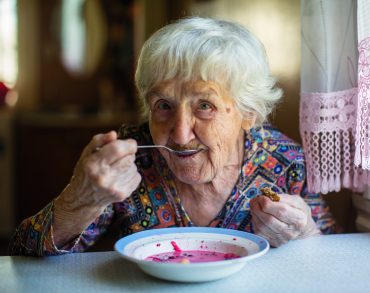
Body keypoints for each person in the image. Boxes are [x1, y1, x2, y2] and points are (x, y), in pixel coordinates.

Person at [9, 17, 336, 256]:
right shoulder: (130, 159)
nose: (179, 135)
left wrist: (305, 231)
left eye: (205, 105)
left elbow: (332, 256)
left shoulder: (286, 161)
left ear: (248, 113)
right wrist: (79, 198)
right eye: (163, 105)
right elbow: (25, 255)